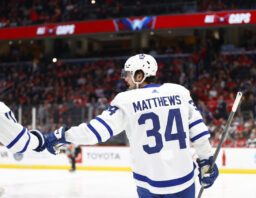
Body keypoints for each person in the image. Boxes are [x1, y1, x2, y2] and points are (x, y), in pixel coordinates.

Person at [44, 54, 219, 197]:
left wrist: (63, 136)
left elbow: (96, 132)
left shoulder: (126, 100)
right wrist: (206, 161)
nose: (125, 79)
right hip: (184, 181)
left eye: (128, 74)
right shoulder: (180, 92)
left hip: (148, 184)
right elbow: (198, 132)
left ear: (139, 75)